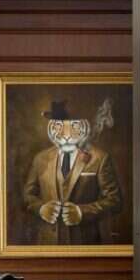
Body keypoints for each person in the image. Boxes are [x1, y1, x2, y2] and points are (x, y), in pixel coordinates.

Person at [20, 99, 121, 245]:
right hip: (47, 244)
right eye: (59, 125)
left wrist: (82, 212)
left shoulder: (100, 158)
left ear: (85, 125)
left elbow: (115, 201)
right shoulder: (40, 159)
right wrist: (41, 209)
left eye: (75, 125)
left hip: (85, 244)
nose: (66, 135)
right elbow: (27, 197)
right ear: (51, 126)